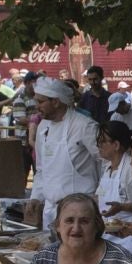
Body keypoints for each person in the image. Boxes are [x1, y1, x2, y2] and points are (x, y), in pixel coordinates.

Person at [29, 75, 101, 232]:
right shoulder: (43, 127)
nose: (37, 106)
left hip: (79, 213)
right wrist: (36, 196)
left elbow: (106, 161)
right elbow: (41, 169)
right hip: (50, 210)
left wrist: (100, 195)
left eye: (41, 102)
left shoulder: (84, 126)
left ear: (55, 102)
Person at [95, 122, 132, 260]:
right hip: (110, 241)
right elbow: (100, 198)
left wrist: (122, 207)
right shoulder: (107, 168)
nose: (98, 146)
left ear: (116, 145)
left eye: (102, 142)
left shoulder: (131, 169)